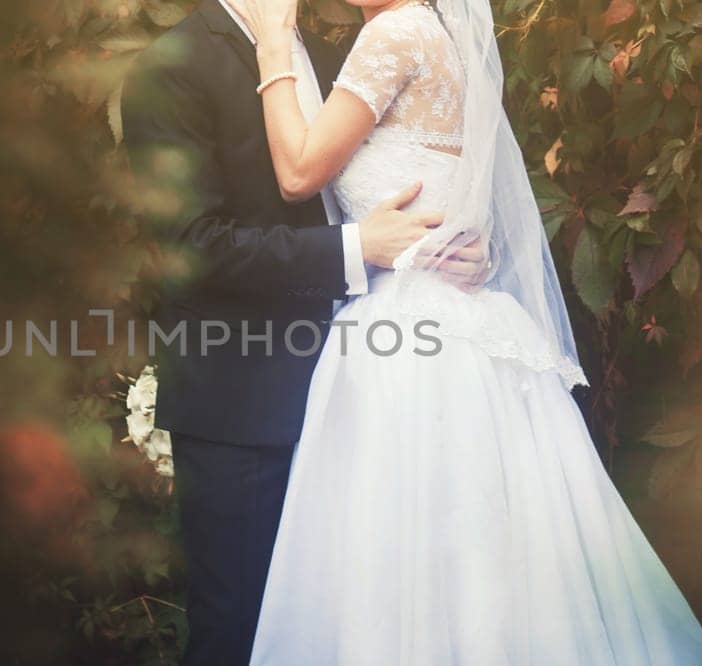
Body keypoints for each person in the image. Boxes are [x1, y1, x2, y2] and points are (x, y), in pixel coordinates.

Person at [232, 0, 702, 663]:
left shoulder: (395, 32)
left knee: (406, 554)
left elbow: (297, 174)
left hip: (409, 339)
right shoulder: (443, 38)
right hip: (461, 323)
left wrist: (270, 44)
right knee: (481, 555)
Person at [120, 1, 492, 663]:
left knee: (351, 629)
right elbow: (193, 246)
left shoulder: (338, 53)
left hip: (365, 400)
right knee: (243, 627)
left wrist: (451, 245)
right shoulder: (170, 68)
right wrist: (357, 251)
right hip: (245, 407)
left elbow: (407, 180)